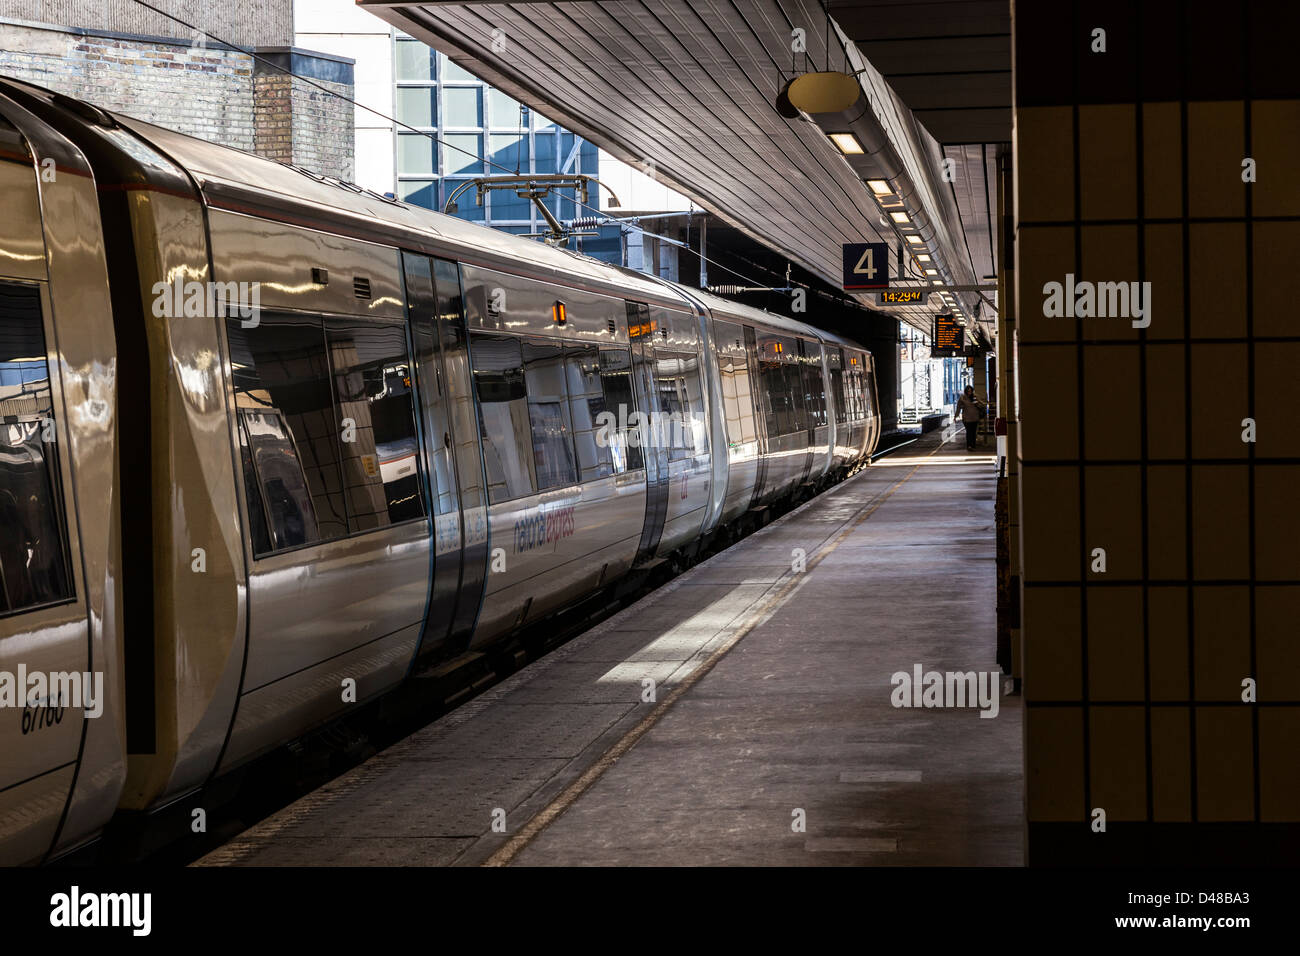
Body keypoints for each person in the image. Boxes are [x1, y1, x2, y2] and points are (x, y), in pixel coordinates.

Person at [954, 385, 985, 451]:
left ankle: (973, 445)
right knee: (969, 432)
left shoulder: (975, 397)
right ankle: (969, 446)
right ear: (966, 391)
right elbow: (958, 407)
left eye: (970, 391)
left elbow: (981, 404)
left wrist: (980, 404)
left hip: (975, 417)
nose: (969, 392)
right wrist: (956, 416)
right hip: (966, 418)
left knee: (974, 432)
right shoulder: (962, 398)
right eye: (968, 391)